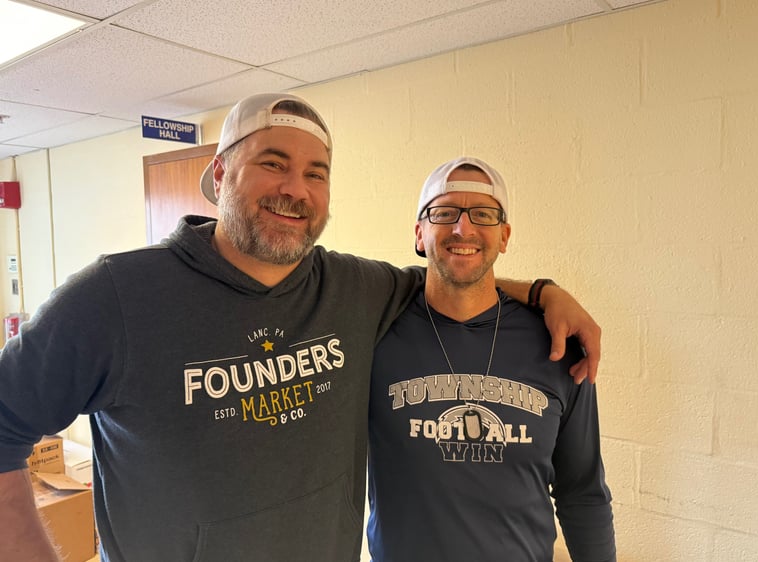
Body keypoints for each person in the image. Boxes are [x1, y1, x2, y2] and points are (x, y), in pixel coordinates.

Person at [0, 93, 600, 562]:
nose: (295, 189)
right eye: (273, 164)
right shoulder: (117, 296)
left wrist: (544, 292)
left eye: (316, 173)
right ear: (220, 173)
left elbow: (456, 275)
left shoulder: (354, 288)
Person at [366, 157, 615, 561]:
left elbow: (583, 492)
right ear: (419, 234)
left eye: (483, 214)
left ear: (504, 235)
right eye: (444, 213)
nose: (463, 228)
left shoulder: (558, 344)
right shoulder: (374, 334)